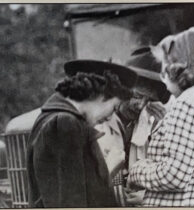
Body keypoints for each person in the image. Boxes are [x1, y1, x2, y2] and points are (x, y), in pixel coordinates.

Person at [127, 27, 194, 207]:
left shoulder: (188, 103)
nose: (163, 78)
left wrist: (137, 171)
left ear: (179, 67)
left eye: (164, 67)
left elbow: (174, 176)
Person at [26, 60, 137, 207]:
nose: (110, 118)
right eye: (114, 107)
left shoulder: (57, 119)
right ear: (101, 95)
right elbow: (68, 201)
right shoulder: (64, 124)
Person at [95, 49, 170, 206]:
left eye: (148, 100)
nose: (140, 105)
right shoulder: (98, 120)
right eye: (136, 96)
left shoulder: (150, 124)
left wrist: (167, 126)